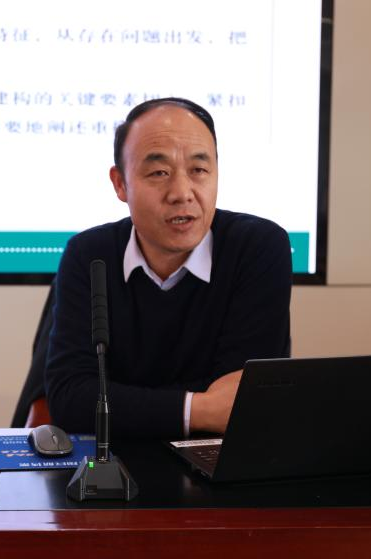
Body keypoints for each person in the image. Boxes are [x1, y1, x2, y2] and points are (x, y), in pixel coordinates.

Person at [44, 97, 291, 439]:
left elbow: (245, 403)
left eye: (199, 170)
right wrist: (198, 408)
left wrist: (125, 402)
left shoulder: (257, 248)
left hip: (223, 460)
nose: (182, 193)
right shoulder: (89, 255)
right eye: (159, 173)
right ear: (120, 183)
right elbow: (71, 400)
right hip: (113, 461)